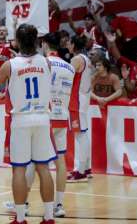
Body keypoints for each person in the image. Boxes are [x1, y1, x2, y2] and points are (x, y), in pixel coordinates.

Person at [0, 24, 56, 224]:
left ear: (16, 41)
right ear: (36, 40)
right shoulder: (46, 62)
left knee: (18, 169)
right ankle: (49, 216)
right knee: (43, 168)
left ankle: (19, 218)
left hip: (21, 120)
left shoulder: (10, 64)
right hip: (42, 118)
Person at [43, 32, 75, 217]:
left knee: (34, 162)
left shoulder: (41, 62)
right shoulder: (70, 67)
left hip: (45, 116)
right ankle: (59, 205)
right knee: (60, 161)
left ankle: (24, 203)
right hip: (62, 115)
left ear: (45, 44)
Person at [66, 35, 93, 182]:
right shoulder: (86, 58)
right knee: (83, 135)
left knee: (80, 136)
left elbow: (66, 78)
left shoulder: (76, 59)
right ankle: (86, 168)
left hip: (76, 100)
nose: (67, 45)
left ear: (73, 44)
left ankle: (81, 171)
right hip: (83, 98)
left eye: (69, 42)